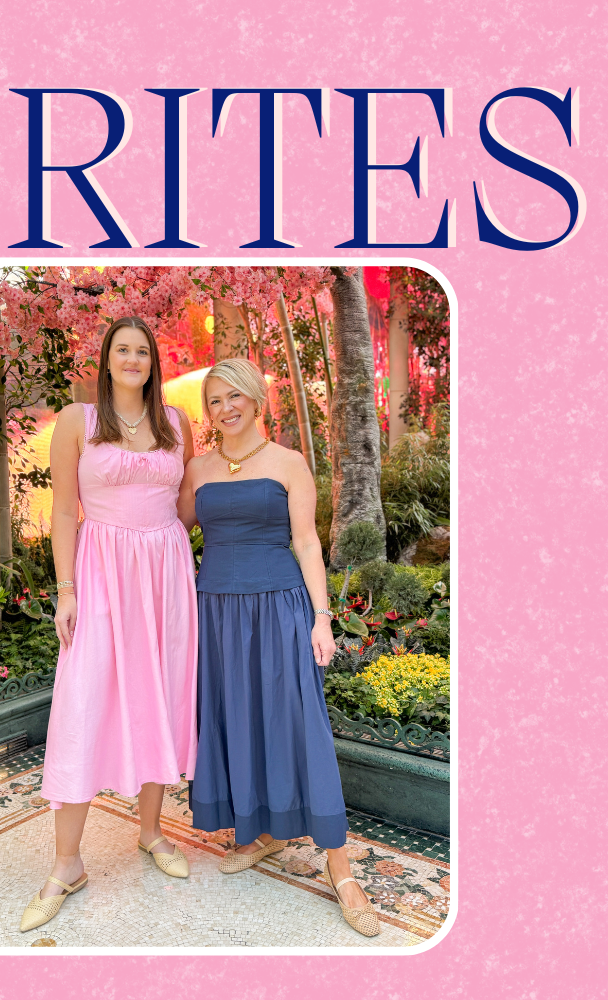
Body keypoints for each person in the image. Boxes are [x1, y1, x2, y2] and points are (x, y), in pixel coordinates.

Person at [181, 358, 379, 937]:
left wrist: (322, 618)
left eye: (234, 397)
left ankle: (340, 867)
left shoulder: (289, 462)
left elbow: (307, 542)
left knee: (297, 723)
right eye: (214, 400)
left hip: (279, 609)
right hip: (216, 613)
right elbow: (169, 530)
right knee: (237, 720)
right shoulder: (197, 468)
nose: (225, 409)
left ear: (255, 399)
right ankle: (260, 833)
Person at [23, 316, 198, 933]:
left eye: (142, 351)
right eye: (122, 349)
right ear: (106, 359)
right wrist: (66, 589)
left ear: (153, 362)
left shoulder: (176, 423)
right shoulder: (77, 421)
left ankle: (151, 831)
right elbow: (63, 511)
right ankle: (66, 863)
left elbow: (185, 504)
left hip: (165, 575)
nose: (133, 359)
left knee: (161, 696)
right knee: (84, 701)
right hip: (99, 574)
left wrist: (166, 546)